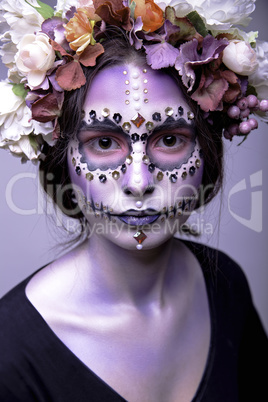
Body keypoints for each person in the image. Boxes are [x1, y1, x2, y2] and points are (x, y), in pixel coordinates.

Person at [0, 0, 267, 401]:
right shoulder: (9, 350)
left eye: (171, 139)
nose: (139, 182)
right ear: (62, 160)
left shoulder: (226, 287)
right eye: (104, 142)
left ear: (207, 155)